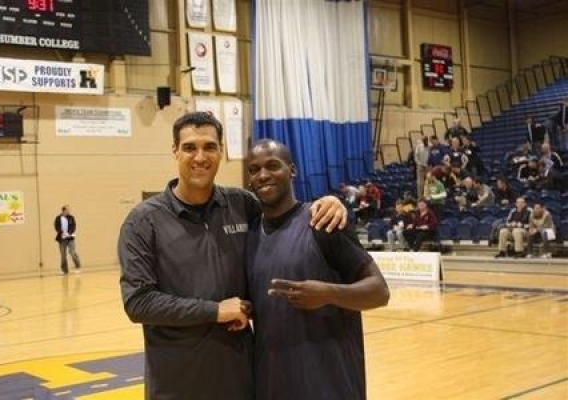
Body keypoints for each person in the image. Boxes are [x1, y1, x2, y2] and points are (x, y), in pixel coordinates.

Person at [117, 112, 347, 400]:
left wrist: (327, 202)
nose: (200, 157)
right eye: (189, 147)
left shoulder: (243, 204)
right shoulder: (143, 221)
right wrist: (215, 311)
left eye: (209, 147)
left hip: (240, 379)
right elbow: (138, 303)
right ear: (175, 151)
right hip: (176, 383)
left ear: (221, 151)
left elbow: (287, 215)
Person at [245, 139, 389, 400]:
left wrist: (329, 294)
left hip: (330, 386)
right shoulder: (250, 235)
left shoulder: (323, 221)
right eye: (254, 170)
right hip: (272, 386)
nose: (263, 175)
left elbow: (380, 291)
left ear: (292, 170)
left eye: (272, 165)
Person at [54, 205, 82, 275]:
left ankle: (78, 266)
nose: (69, 211)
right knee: (63, 255)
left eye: (69, 210)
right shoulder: (58, 218)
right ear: (63, 211)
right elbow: (56, 227)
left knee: (72, 252)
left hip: (70, 238)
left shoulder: (71, 218)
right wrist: (62, 233)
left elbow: (73, 226)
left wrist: (69, 233)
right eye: (67, 210)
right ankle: (64, 270)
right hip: (62, 238)